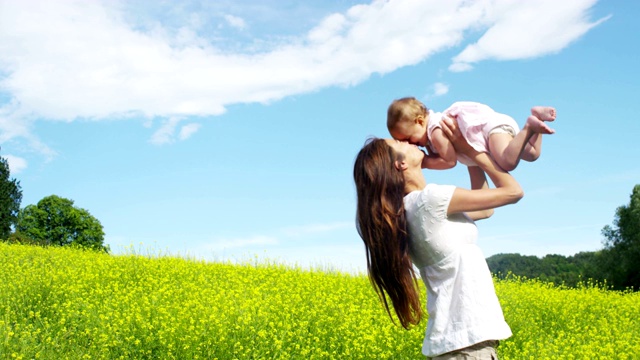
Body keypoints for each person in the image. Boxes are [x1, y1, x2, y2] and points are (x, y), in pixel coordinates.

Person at [353, 118, 523, 359]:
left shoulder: (411, 209)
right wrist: (473, 150)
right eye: (400, 143)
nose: (408, 142)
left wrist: (466, 154)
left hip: (459, 344)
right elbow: (513, 192)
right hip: (466, 345)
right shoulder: (430, 200)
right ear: (400, 164)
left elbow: (485, 209)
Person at [387, 97, 556, 171]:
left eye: (409, 139)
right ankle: (536, 120)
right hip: (496, 130)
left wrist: (423, 163)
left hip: (491, 130)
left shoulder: (436, 131)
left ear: (419, 121)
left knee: (507, 162)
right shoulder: (431, 135)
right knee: (533, 153)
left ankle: (528, 127)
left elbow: (449, 161)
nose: (411, 144)